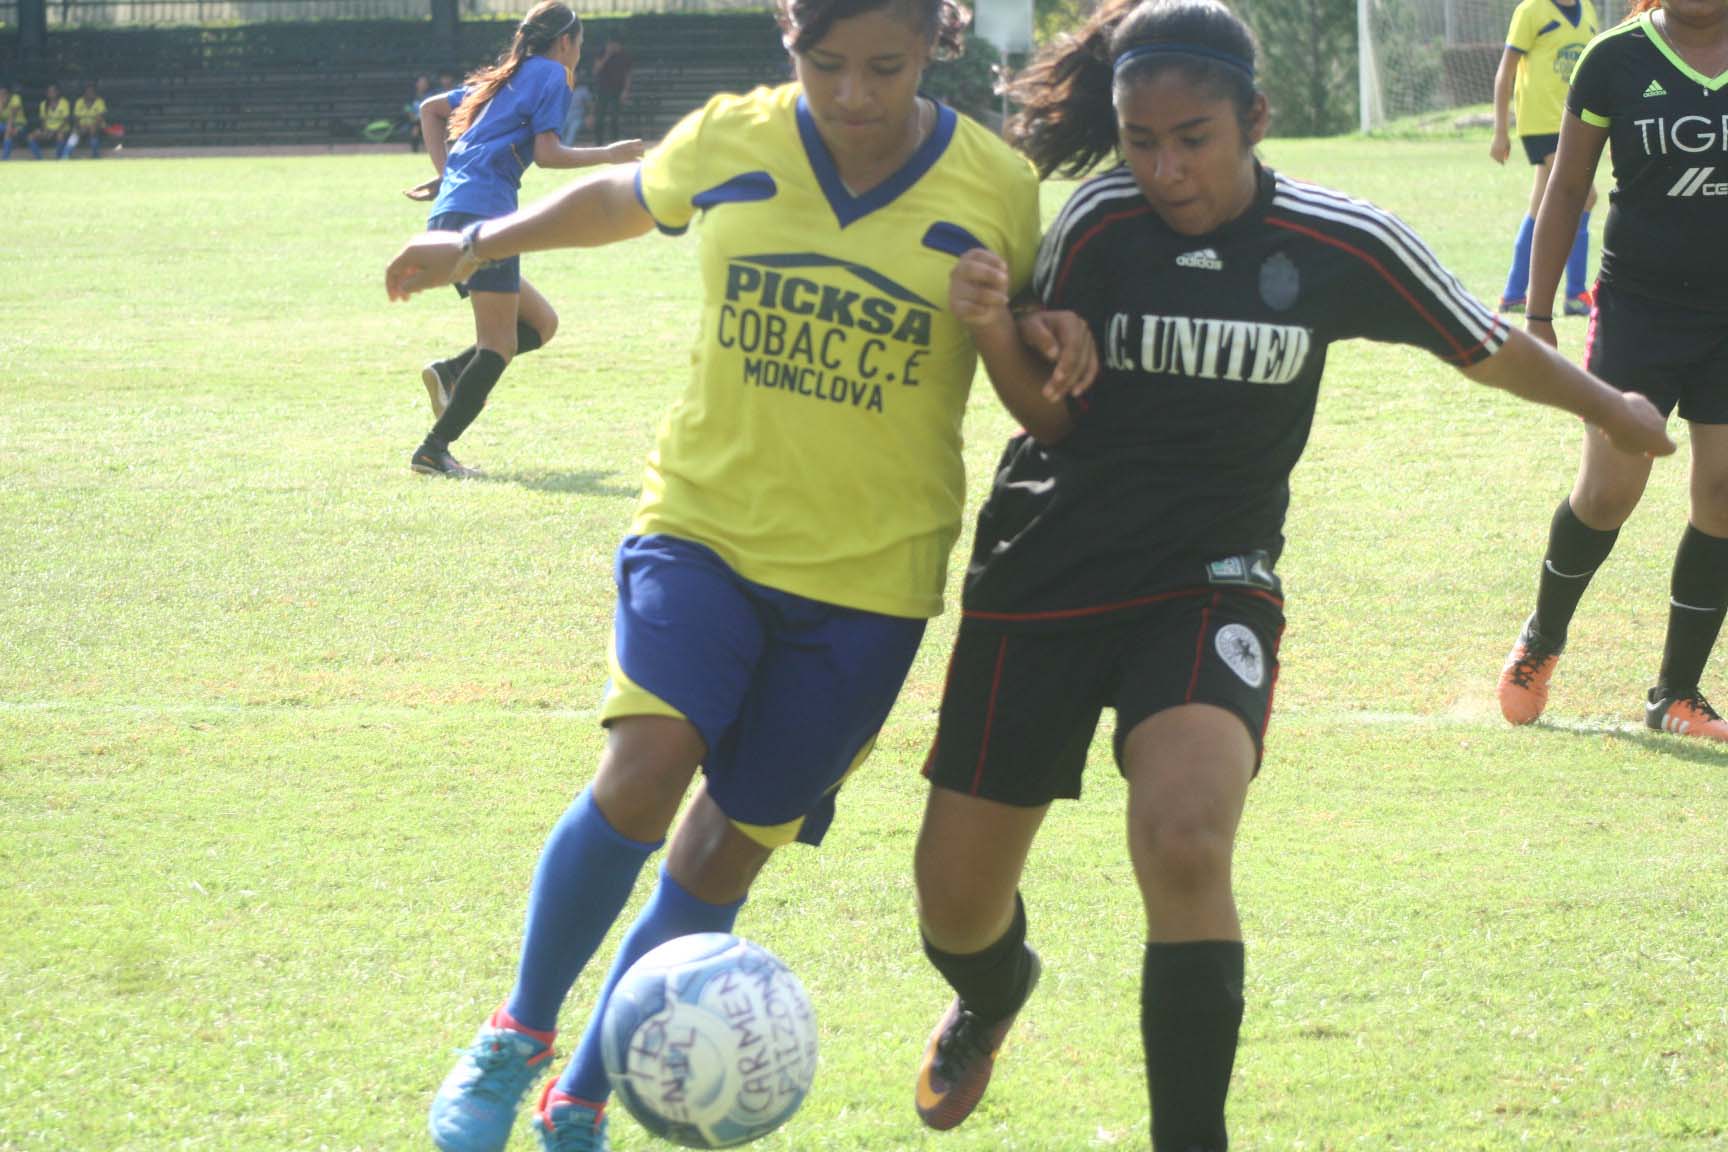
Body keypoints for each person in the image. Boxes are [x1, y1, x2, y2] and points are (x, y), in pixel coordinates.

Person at [903, 2, 1675, 1149]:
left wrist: (1611, 407)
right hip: (1046, 572)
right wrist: (995, 332)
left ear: (1257, 119)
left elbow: (1484, 340)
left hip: (1213, 579)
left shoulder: (1338, 241)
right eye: (1140, 139)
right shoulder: (1100, 224)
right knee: (953, 912)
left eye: (1195, 138)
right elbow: (1047, 422)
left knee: (1185, 837)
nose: (1164, 168)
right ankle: (997, 987)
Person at [384, 0, 1095, 1145]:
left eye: (886, 67)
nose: (855, 94)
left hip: (871, 581)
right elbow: (626, 196)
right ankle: (516, 1037)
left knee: (720, 846)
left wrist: (1027, 331)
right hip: (704, 527)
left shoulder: (996, 187)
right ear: (789, 46)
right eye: (827, 65)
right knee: (645, 769)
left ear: (933, 51)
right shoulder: (735, 136)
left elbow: (1036, 386)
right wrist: (478, 243)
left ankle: (590, 1095)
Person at [1498, 0, 1728, 739]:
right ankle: (1543, 637)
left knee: (1725, 496)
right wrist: (1537, 316)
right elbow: (1567, 187)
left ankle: (1677, 692)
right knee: (1608, 494)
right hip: (1640, 311)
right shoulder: (1615, 57)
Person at [403, 1, 644, 478]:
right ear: (564, 43)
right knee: (498, 344)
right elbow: (548, 153)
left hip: (450, 214)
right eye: (580, 43)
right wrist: (610, 154)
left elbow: (431, 111)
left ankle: (453, 373)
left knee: (541, 324)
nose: (578, 52)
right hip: (483, 216)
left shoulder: (502, 78)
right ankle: (434, 450)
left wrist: (448, 176)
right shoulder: (553, 75)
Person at [1491, 0, 1600, 316]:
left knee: (1540, 205)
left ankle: (1513, 294)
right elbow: (1506, 70)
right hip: (1541, 122)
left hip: (1574, 122)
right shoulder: (1531, 10)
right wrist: (1501, 129)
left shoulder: (1589, 11)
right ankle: (1576, 293)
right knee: (1585, 196)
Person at [591, 37, 632, 143]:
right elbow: (596, 70)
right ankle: (598, 143)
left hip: (617, 90)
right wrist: (607, 55)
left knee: (615, 118)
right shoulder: (601, 53)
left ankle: (615, 141)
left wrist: (625, 91)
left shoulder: (624, 56)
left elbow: (627, 75)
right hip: (602, 90)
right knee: (599, 118)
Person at [28, 82, 70, 160]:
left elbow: (66, 120)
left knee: (60, 135)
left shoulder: (64, 102)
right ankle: (40, 159)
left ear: (58, 92)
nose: (51, 93)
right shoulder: (43, 104)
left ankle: (58, 158)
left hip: (61, 129)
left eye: (53, 91)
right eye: (49, 91)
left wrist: (54, 131)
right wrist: (46, 131)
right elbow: (43, 121)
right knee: (30, 136)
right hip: (48, 129)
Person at [73, 81, 106, 159]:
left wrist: (88, 126)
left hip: (97, 126)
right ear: (84, 93)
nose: (90, 93)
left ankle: (95, 155)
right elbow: (76, 118)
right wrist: (80, 126)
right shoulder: (79, 102)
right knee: (75, 132)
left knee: (92, 128)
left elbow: (99, 119)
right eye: (88, 91)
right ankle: (65, 154)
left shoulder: (99, 102)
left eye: (92, 92)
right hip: (82, 126)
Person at [559, 71, 593, 146]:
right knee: (558, 132)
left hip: (577, 119)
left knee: (572, 131)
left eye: (574, 77)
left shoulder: (583, 90)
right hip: (564, 118)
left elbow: (590, 105)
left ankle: (566, 150)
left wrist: (590, 116)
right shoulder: (563, 90)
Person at [405, 74, 432, 152]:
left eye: (425, 83)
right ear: (417, 84)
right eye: (421, 82)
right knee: (415, 130)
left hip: (429, 120)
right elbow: (407, 108)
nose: (423, 85)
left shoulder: (431, 96)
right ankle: (415, 151)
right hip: (416, 121)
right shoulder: (411, 97)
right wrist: (411, 116)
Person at [0, 84, 24, 160]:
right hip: (5, 125)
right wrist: (2, 105)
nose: (2, 95)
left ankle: (4, 159)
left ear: (9, 94)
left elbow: (12, 117)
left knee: (8, 133)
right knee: (7, 130)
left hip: (19, 125)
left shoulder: (16, 98)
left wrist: (9, 128)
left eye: (4, 93)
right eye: (0, 94)